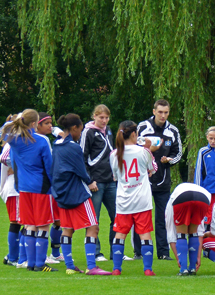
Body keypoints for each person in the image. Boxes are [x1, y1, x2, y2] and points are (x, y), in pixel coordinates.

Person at [51, 113, 112, 275]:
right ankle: (92, 266)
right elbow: (81, 170)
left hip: (61, 193)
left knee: (67, 229)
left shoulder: (56, 145)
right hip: (77, 193)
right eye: (80, 129)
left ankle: (70, 266)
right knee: (93, 227)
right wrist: (91, 182)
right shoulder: (74, 147)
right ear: (74, 128)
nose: (81, 132)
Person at [1, 109, 56, 272]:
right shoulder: (42, 140)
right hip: (41, 187)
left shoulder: (14, 140)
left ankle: (30, 263)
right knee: (44, 225)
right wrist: (53, 186)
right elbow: (49, 165)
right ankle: (40, 263)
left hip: (22, 187)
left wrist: (15, 120)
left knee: (29, 225)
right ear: (34, 124)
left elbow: (3, 129)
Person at [80, 104, 128, 261]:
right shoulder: (88, 132)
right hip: (95, 182)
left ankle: (116, 251)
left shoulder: (108, 131)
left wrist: (116, 173)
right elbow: (82, 157)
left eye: (107, 117)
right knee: (94, 218)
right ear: (94, 116)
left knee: (117, 216)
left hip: (111, 180)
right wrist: (89, 180)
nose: (104, 120)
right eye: (101, 117)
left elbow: (113, 153)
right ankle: (96, 252)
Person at [110, 121, 158, 276]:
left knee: (120, 233)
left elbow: (116, 177)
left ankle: (117, 268)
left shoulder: (114, 154)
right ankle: (148, 269)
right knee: (145, 233)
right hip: (142, 200)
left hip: (123, 200)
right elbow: (153, 169)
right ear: (133, 134)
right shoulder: (143, 152)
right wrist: (149, 149)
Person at [137, 99, 182, 260]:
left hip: (163, 181)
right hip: (142, 180)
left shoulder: (173, 131)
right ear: (154, 111)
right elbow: (134, 148)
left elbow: (178, 153)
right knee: (141, 216)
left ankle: (163, 253)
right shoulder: (142, 127)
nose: (163, 115)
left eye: (166, 112)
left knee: (163, 217)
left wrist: (169, 160)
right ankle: (139, 252)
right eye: (160, 112)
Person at [36, 112, 65, 264]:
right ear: (37, 125)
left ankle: (55, 252)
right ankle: (39, 254)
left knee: (57, 219)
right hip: (45, 185)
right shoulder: (41, 140)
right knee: (40, 221)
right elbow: (48, 163)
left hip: (51, 184)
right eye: (46, 123)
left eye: (50, 123)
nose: (50, 126)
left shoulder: (48, 138)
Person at [165, 183, 210, 275]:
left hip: (182, 197)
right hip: (204, 198)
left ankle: (184, 269)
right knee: (194, 232)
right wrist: (198, 257)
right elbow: (200, 232)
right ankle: (192, 267)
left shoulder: (171, 202)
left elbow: (171, 234)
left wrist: (179, 260)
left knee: (181, 233)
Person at [0, 114, 23, 267]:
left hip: (20, 189)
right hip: (13, 189)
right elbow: (4, 158)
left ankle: (14, 255)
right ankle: (13, 257)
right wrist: (17, 167)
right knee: (15, 222)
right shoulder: (12, 142)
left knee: (23, 222)